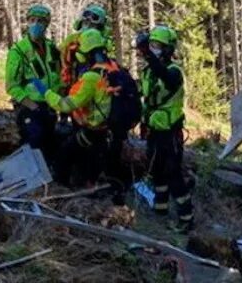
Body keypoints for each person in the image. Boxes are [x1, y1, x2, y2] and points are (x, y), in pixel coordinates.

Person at [40, 27, 136, 204]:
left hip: (95, 131)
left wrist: (46, 93)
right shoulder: (114, 69)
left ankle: (64, 191)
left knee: (65, 154)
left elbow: (67, 104)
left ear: (84, 53)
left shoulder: (92, 78)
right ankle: (101, 188)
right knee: (97, 162)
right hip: (112, 132)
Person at [137, 24, 193, 230]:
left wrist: (148, 55)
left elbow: (166, 79)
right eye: (151, 44)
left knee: (173, 174)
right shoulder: (147, 72)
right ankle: (160, 209)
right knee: (157, 172)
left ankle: (186, 218)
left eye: (158, 45)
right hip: (154, 130)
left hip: (170, 133)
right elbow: (146, 98)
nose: (153, 49)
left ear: (168, 49)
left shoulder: (173, 72)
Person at [5, 4, 62, 159]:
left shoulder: (51, 48)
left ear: (47, 24)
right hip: (29, 107)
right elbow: (11, 85)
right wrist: (32, 106)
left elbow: (58, 75)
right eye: (32, 20)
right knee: (33, 142)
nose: (36, 24)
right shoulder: (18, 51)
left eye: (41, 21)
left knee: (50, 146)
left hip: (50, 105)